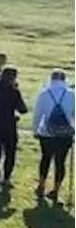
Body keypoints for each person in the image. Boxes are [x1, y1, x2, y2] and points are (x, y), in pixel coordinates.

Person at [31, 70, 76, 202]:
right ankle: (56, 190)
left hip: (46, 133)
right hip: (65, 134)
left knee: (45, 159)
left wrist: (35, 130)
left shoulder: (44, 94)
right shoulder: (72, 95)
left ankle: (41, 185)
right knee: (60, 162)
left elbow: (37, 115)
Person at [0, 67, 27, 188]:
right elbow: (23, 109)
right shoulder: (14, 92)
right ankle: (6, 178)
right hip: (9, 126)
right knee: (10, 153)